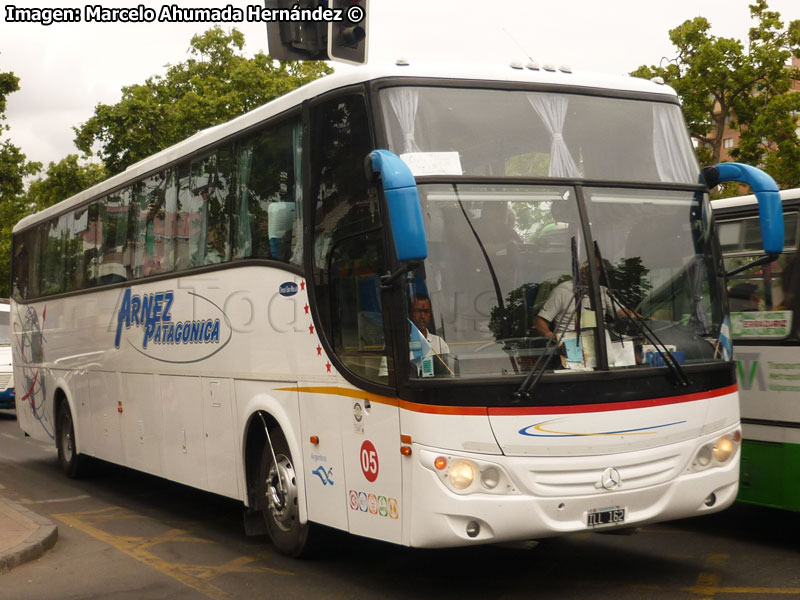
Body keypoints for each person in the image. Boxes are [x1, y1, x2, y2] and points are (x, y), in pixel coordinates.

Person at [534, 260, 636, 340]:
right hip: (571, 346)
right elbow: (540, 321)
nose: (588, 271)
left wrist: (646, 320)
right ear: (579, 269)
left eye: (595, 269)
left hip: (601, 348)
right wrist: (550, 335)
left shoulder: (603, 292)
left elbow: (623, 314)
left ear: (600, 273)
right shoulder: (562, 291)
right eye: (586, 267)